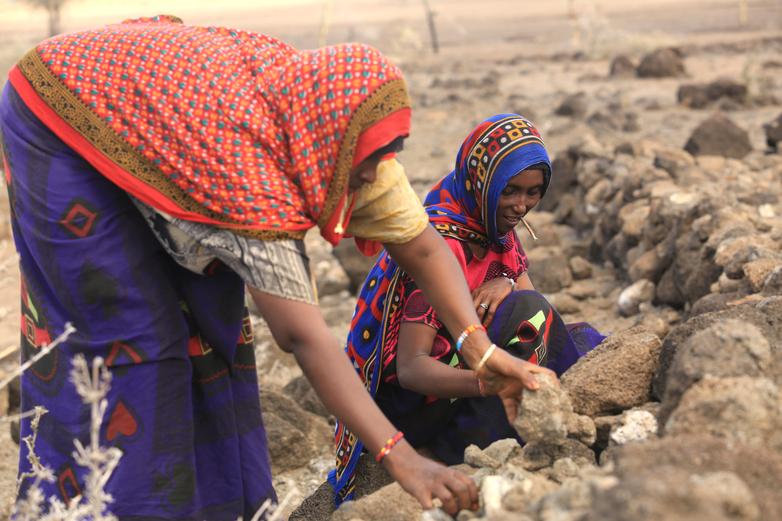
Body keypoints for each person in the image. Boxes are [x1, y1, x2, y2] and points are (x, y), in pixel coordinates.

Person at [0, 16, 546, 520]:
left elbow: (422, 246)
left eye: (390, 152)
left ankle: (222, 506)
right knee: (129, 336)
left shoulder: (343, 134)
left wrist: (481, 349)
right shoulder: (249, 177)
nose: (378, 172)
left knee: (214, 321)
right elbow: (301, 336)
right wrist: (401, 458)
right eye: (369, 164)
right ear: (329, 148)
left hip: (168, 112)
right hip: (61, 109)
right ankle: (111, 505)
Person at [334, 114, 604, 500]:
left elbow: (538, 309)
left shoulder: (496, 231)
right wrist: (489, 382)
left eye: (533, 192)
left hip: (462, 380)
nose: (520, 205)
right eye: (510, 190)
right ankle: (456, 448)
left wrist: (506, 282)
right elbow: (411, 368)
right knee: (534, 326)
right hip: (418, 404)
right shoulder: (442, 242)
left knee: (566, 331)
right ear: (482, 182)